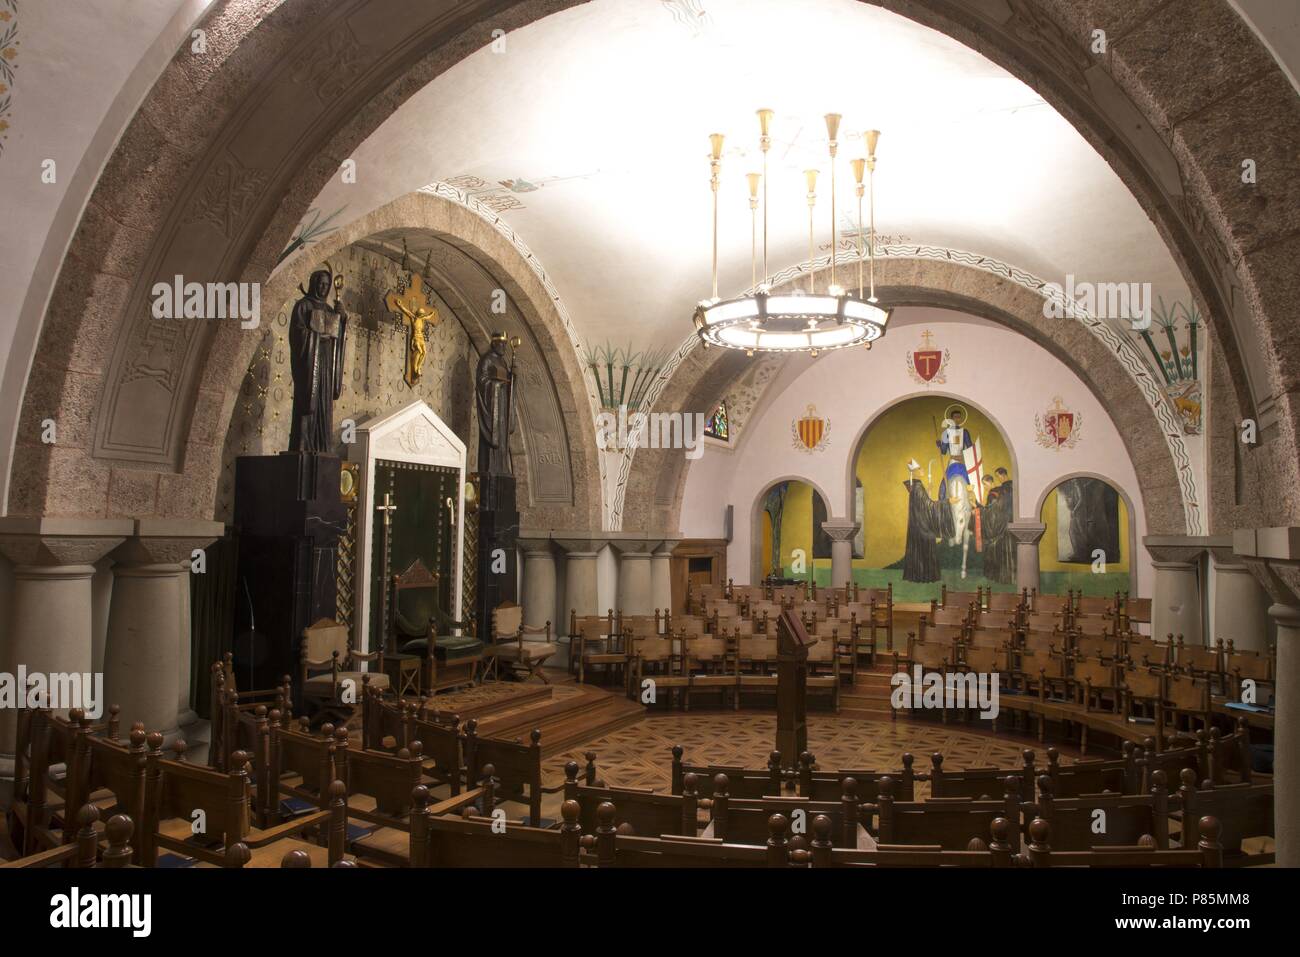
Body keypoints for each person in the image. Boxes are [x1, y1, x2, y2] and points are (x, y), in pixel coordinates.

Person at [288, 267, 347, 453]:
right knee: (308, 407)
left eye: (327, 285)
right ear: (313, 283)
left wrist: (342, 319)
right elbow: (297, 334)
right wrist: (317, 337)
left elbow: (338, 337)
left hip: (326, 365)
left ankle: (322, 446)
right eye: (320, 283)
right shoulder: (303, 306)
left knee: (324, 405)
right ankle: (304, 446)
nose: (323, 287)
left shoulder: (330, 309)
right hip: (309, 365)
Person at [902, 459, 942, 583]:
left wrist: (928, 492)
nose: (923, 470)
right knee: (926, 546)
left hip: (917, 524)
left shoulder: (915, 486)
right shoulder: (918, 487)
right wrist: (944, 503)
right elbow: (928, 505)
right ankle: (925, 575)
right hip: (923, 525)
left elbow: (923, 504)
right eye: (920, 468)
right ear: (914, 472)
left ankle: (918, 575)